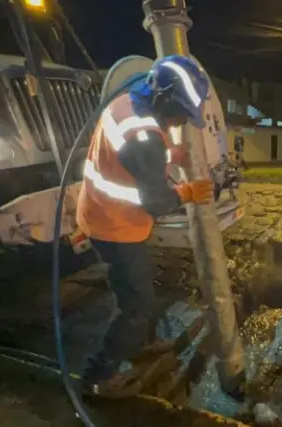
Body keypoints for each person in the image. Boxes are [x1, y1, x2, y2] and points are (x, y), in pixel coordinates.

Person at [75, 55, 215, 396]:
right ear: (165, 98)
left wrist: (172, 155)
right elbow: (157, 201)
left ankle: (140, 344)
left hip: (105, 212)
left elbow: (134, 160)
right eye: (181, 113)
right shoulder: (145, 137)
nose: (181, 121)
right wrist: (188, 192)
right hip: (114, 226)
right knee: (136, 305)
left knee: (140, 293)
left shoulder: (130, 101)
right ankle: (97, 378)